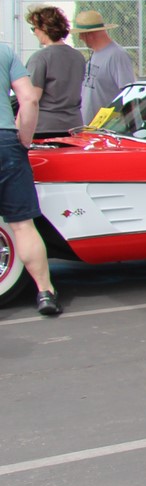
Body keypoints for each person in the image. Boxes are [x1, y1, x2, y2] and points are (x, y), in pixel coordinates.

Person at [0, 42, 60, 315]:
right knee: (23, 225)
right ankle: (46, 293)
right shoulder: (5, 51)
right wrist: (24, 139)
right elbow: (29, 99)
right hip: (5, 141)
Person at [25, 6, 85, 139]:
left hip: (45, 127)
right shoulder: (78, 57)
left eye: (34, 28)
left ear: (44, 28)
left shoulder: (40, 58)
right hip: (74, 126)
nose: (34, 33)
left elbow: (32, 98)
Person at [73, 9, 134, 124]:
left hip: (107, 128)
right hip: (89, 127)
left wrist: (130, 126)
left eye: (81, 34)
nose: (80, 38)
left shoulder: (117, 55)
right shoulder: (95, 54)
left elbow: (129, 94)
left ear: (89, 34)